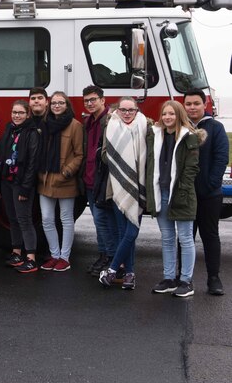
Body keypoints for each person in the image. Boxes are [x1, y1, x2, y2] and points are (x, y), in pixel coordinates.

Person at [145, 100, 202, 298]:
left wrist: (183, 192)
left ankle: (186, 281)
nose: (167, 117)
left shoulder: (189, 137)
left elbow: (191, 169)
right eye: (164, 114)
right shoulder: (156, 135)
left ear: (179, 115)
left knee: (185, 238)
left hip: (181, 193)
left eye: (172, 114)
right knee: (167, 238)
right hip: (161, 192)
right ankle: (169, 278)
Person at [99, 97, 148, 290]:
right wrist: (121, 156)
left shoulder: (145, 126)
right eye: (123, 110)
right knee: (123, 233)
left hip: (138, 186)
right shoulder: (110, 127)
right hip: (117, 187)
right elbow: (104, 155)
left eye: (131, 110)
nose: (127, 113)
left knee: (132, 231)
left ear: (137, 110)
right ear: (117, 111)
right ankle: (129, 275)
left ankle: (112, 270)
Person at [183, 89, 228, 296]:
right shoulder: (180, 127)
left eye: (196, 103)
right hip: (184, 194)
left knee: (210, 236)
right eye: (188, 104)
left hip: (209, 194)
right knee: (185, 237)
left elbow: (221, 158)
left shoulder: (216, 128)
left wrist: (210, 184)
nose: (192, 107)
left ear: (204, 105)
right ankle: (183, 277)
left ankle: (213, 278)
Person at [36, 91, 83, 272]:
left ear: (67, 105)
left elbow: (79, 154)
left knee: (66, 219)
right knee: (47, 219)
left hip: (65, 181)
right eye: (54, 103)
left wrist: (66, 172)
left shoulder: (75, 125)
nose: (57, 106)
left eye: (60, 103)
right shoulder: (44, 124)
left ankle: (65, 257)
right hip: (45, 180)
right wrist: (40, 174)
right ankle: (54, 255)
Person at [0, 100, 40, 273]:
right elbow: (2, 153)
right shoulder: (10, 129)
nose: (17, 115)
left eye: (21, 113)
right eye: (14, 112)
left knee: (24, 219)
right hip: (7, 181)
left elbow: (32, 163)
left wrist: (26, 187)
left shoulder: (32, 133)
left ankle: (31, 258)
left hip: (21, 182)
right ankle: (16, 252)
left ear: (28, 114)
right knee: (12, 218)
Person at [80, 85, 117, 277]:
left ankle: (111, 258)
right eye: (86, 100)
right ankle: (103, 256)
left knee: (104, 221)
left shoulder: (110, 120)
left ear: (103, 100)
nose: (90, 103)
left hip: (102, 180)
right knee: (98, 221)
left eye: (93, 99)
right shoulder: (89, 121)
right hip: (89, 179)